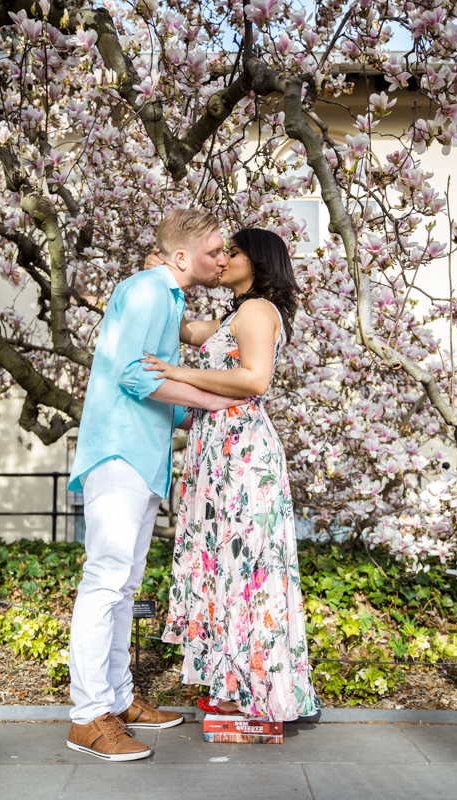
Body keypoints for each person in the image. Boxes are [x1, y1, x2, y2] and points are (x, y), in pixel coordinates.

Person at [66, 209, 248, 761]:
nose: (222, 259)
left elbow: (156, 387)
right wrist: (212, 400)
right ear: (181, 257)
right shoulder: (148, 289)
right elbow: (133, 375)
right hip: (120, 453)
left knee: (123, 585)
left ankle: (119, 699)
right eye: (214, 251)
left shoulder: (168, 298)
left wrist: (199, 414)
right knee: (106, 579)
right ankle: (87, 716)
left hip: (142, 457)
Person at [143, 228, 321, 722]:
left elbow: (254, 378)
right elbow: (184, 330)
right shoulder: (234, 316)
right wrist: (165, 274)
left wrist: (177, 373)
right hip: (220, 448)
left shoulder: (258, 310)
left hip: (242, 451)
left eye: (233, 252)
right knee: (227, 565)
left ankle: (252, 690)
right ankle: (234, 687)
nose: (222, 260)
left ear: (257, 262)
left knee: (246, 567)